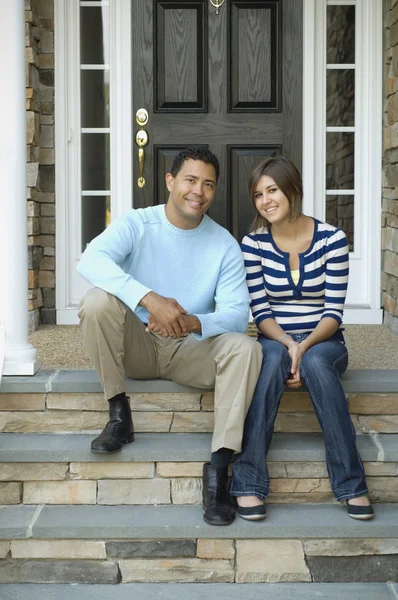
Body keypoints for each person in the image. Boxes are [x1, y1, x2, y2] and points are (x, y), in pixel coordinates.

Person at [76, 146, 262, 526]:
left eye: (208, 184)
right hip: (138, 345)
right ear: (170, 181)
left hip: (190, 350)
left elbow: (235, 314)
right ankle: (118, 415)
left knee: (245, 348)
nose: (199, 191)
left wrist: (189, 321)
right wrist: (148, 300)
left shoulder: (224, 244)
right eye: (191, 180)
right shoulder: (138, 223)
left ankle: (220, 473)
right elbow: (90, 260)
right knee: (96, 302)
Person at [230, 156, 374, 521]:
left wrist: (304, 345)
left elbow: (332, 313)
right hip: (274, 338)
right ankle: (248, 483)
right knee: (271, 360)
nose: (266, 201)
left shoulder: (332, 239)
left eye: (273, 190)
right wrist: (287, 344)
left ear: (293, 189)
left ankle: (351, 484)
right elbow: (261, 312)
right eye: (258, 194)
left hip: (323, 341)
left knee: (314, 362)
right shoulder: (254, 244)